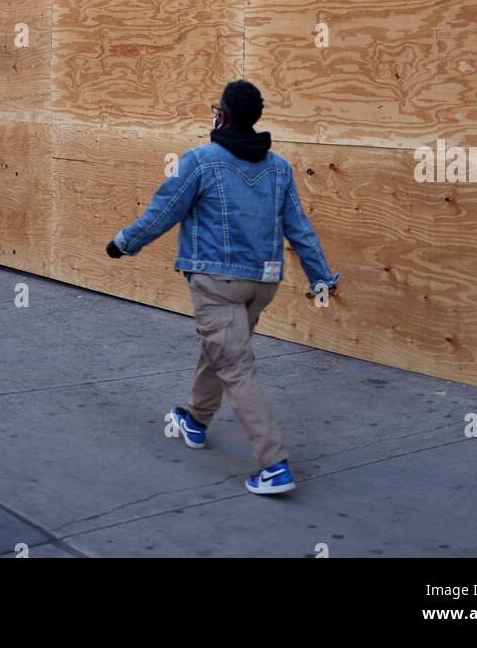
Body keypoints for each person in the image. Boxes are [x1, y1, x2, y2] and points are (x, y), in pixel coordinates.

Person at [106, 80, 341, 496]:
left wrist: (124, 243)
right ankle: (195, 420)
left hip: (218, 283)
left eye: (216, 108)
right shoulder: (280, 168)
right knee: (221, 349)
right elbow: (299, 229)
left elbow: (162, 213)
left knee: (235, 365)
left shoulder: (199, 161)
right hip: (262, 284)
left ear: (224, 115)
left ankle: (274, 466)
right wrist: (321, 276)